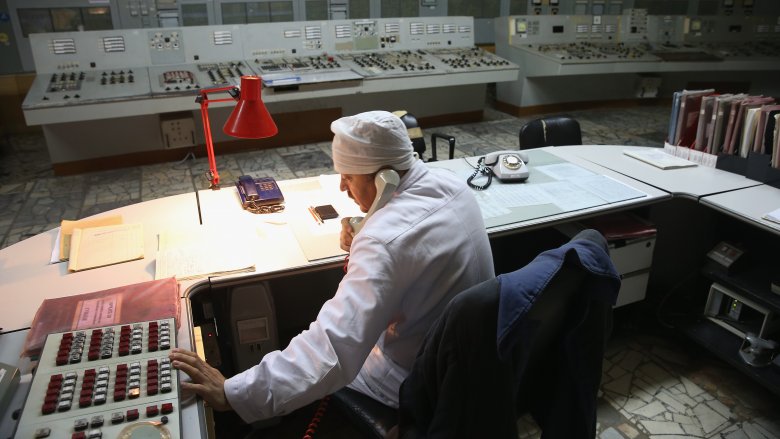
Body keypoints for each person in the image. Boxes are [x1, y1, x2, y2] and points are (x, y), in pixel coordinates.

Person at [170, 110, 494, 423]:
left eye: (348, 176)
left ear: (384, 179)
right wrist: (364, 224)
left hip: (418, 378)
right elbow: (413, 234)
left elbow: (332, 350)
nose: (342, 187)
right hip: (474, 359)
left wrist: (234, 393)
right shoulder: (451, 184)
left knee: (321, 357)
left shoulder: (383, 241)